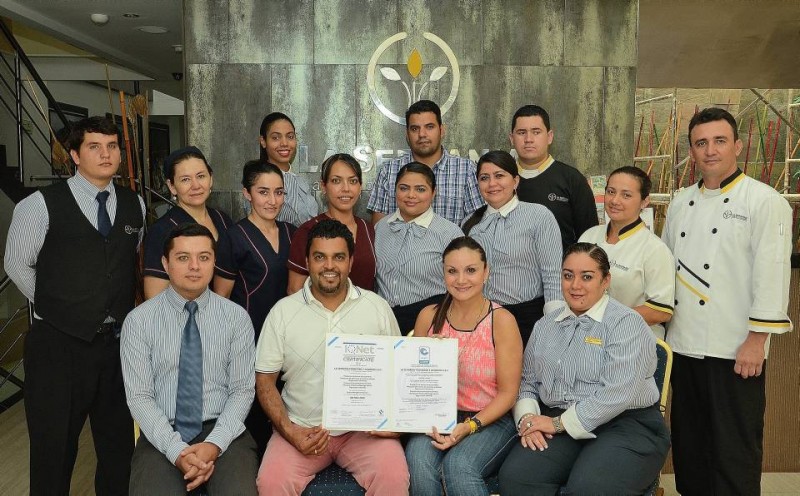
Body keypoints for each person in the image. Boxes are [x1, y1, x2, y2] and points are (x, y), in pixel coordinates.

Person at [4, 116, 145, 495]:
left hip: (115, 347)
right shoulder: (39, 205)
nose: (105, 154)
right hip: (58, 348)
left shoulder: (136, 205)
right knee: (54, 451)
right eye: (94, 147)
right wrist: (60, 307)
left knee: (117, 449)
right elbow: (16, 265)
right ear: (74, 154)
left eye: (112, 146)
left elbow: (125, 260)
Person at [662, 107, 793, 496]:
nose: (710, 150)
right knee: (691, 446)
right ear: (692, 150)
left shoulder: (765, 201)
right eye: (701, 143)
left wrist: (756, 341)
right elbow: (668, 269)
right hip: (683, 345)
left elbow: (772, 275)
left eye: (719, 141)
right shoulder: (680, 201)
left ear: (737, 145)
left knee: (734, 447)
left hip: (735, 348)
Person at [498, 243, 670, 495]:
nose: (575, 285)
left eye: (587, 277)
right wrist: (527, 419)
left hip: (627, 424)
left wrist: (556, 425)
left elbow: (616, 395)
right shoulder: (545, 325)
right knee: (518, 478)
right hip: (557, 419)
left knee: (590, 488)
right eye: (568, 276)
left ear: (606, 280)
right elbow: (527, 381)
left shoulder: (626, 323)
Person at [254, 219, 409, 495]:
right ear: (307, 261)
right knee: (270, 482)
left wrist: (399, 425)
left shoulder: (377, 307)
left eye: (338, 257)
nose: (329, 266)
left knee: (394, 477)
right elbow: (265, 381)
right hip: (302, 428)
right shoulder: (283, 312)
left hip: (365, 431)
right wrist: (290, 431)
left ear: (350, 262)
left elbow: (401, 373)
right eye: (319, 257)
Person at [121, 223, 258, 495]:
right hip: (162, 432)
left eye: (204, 257)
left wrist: (214, 444)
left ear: (214, 262)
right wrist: (177, 452)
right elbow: (139, 398)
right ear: (165, 263)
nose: (194, 266)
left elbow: (242, 391)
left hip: (224, 430)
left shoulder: (236, 318)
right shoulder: (139, 321)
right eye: (183, 258)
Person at [406, 236, 522, 496]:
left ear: (486, 272)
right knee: (419, 463)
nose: (461, 280)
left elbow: (508, 394)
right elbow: (413, 384)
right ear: (443, 274)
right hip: (437, 415)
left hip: (490, 418)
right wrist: (427, 357)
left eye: (470, 270)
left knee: (458, 466)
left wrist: (469, 427)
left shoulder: (501, 320)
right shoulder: (429, 317)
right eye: (452, 271)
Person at [214, 160, 296, 455]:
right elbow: (220, 299)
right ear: (247, 193)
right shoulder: (233, 237)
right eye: (263, 192)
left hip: (288, 339)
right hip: (248, 339)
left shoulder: (292, 233)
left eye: (278, 192)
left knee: (285, 411)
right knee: (254, 418)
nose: (272, 201)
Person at [462, 150, 563, 346]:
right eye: (484, 178)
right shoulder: (470, 224)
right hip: (482, 319)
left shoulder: (539, 216)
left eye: (499, 176)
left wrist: (553, 327)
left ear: (515, 181)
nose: (492, 184)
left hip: (528, 319)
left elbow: (553, 275)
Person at [579, 166, 675, 338]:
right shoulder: (589, 235)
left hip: (633, 342)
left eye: (626, 195)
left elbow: (660, 311)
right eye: (611, 192)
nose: (615, 200)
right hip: (589, 337)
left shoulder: (654, 249)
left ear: (645, 201)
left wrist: (607, 319)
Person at [374, 162, 463, 332]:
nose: (411, 195)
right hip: (383, 322)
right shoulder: (381, 227)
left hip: (432, 322)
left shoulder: (449, 233)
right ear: (395, 190)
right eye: (404, 188)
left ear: (433, 192)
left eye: (420, 189)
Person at [367, 99, 484, 225]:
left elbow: (477, 226)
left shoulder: (466, 170)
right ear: (407, 134)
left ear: (442, 130)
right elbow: (378, 228)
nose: (422, 134)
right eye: (415, 129)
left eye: (429, 127)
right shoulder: (389, 170)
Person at [142, 146, 233, 299]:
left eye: (201, 176)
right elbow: (154, 297)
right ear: (172, 186)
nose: (196, 185)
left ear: (211, 178)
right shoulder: (162, 230)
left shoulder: (223, 220)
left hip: (223, 315)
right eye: (185, 179)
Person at [510, 104, 598, 248]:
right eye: (521, 132)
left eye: (536, 132)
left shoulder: (572, 179)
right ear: (512, 138)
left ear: (550, 136)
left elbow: (589, 238)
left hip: (561, 269)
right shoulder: (501, 181)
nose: (528, 139)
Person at [287, 153, 376, 293]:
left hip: (364, 312)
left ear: (360, 186)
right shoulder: (308, 231)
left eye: (352, 181)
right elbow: (294, 290)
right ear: (323, 186)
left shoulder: (368, 229)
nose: (346, 188)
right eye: (336, 181)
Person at [258, 111, 319, 226]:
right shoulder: (257, 181)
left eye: (290, 136)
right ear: (263, 141)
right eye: (276, 138)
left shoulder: (301, 181)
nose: (284, 143)